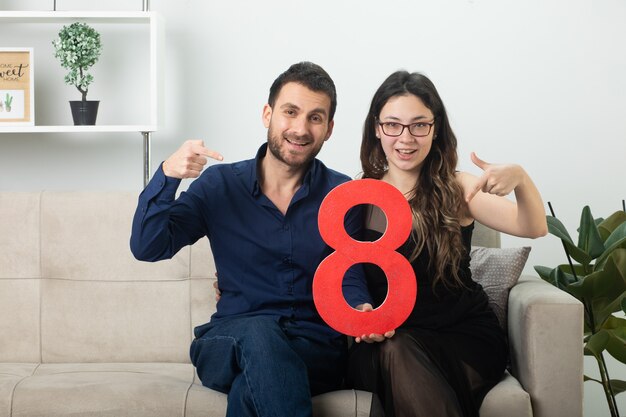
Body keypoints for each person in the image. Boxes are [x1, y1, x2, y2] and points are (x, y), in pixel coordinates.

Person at [130, 61, 374, 417]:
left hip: (314, 348)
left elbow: (349, 274)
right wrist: (168, 174)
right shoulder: (219, 186)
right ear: (267, 114)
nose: (301, 128)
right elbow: (148, 246)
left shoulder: (342, 194)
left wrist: (362, 309)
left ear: (329, 129)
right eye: (290, 112)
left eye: (315, 118)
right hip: (227, 341)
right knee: (259, 333)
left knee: (254, 385)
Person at [346, 71, 547, 417]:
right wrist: (361, 313)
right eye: (393, 125)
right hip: (388, 340)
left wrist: (520, 177)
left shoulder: (457, 188)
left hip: (462, 337)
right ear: (376, 128)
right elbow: (344, 273)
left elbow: (533, 226)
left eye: (419, 125)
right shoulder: (357, 195)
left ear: (435, 128)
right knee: (397, 348)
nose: (405, 138)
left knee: (403, 355)